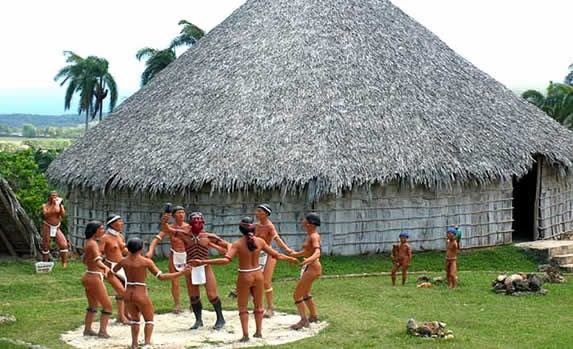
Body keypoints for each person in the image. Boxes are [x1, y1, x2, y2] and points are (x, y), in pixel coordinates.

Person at [191, 217, 299, 342]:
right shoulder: (260, 242)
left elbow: (226, 260)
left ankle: (245, 335)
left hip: (245, 275)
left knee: (243, 307)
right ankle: (258, 332)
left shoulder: (238, 244)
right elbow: (277, 255)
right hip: (258, 274)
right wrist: (292, 259)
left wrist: (202, 261)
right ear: (254, 228)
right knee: (259, 306)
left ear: (240, 229)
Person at [113, 237, 190, 349]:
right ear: (141, 248)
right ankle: (147, 344)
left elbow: (111, 273)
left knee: (135, 320)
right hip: (140, 292)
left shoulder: (123, 261)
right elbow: (162, 277)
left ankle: (134, 344)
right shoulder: (146, 262)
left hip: (128, 293)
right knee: (149, 320)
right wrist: (181, 273)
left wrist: (120, 289)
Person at [161, 211, 231, 330]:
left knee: (212, 294)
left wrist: (226, 252)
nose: (197, 224)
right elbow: (167, 230)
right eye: (194, 222)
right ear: (190, 224)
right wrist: (164, 221)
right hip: (191, 266)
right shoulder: (184, 235)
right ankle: (198, 320)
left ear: (203, 223)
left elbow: (229, 245)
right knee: (193, 296)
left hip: (205, 266)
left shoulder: (208, 236)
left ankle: (220, 318)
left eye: (199, 221)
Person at [146, 205, 190, 314]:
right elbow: (157, 239)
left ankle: (193, 303)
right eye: (179, 212)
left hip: (187, 255)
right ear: (174, 215)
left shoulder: (189, 227)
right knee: (175, 281)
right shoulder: (169, 227)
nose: (181, 214)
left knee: (190, 281)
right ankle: (177, 305)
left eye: (183, 212)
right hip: (174, 255)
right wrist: (151, 250)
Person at [254, 203, 293, 318]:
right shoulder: (256, 225)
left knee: (266, 282)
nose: (257, 213)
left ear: (266, 214)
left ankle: (270, 308)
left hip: (268, 254)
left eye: (259, 211)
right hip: (257, 254)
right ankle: (258, 306)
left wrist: (287, 250)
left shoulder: (270, 226)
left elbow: (277, 239)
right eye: (257, 211)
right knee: (256, 282)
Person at [288, 212, 323, 330]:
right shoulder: (311, 235)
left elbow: (317, 252)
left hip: (312, 267)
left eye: (305, 220)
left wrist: (309, 259)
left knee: (297, 295)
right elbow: (308, 250)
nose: (303, 221)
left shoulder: (314, 236)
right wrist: (296, 254)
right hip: (311, 267)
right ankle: (313, 316)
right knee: (305, 292)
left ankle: (304, 320)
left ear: (310, 224)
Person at [81, 221, 112, 338]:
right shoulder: (93, 244)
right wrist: (105, 268)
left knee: (93, 305)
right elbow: (97, 261)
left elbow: (85, 260)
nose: (103, 231)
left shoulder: (88, 243)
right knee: (107, 306)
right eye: (101, 229)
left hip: (88, 276)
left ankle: (87, 329)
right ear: (95, 231)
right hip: (94, 277)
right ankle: (102, 331)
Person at [99, 214, 130, 324]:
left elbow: (123, 251)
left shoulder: (120, 236)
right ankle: (121, 316)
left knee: (126, 289)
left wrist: (135, 253)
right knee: (121, 291)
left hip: (122, 266)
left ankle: (125, 314)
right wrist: (102, 267)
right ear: (112, 224)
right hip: (110, 268)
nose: (122, 223)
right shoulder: (105, 238)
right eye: (119, 221)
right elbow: (99, 253)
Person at [41, 191, 69, 268]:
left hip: (56, 227)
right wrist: (53, 205)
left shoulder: (58, 205)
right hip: (47, 226)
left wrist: (61, 205)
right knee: (46, 245)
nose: (54, 197)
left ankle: (64, 264)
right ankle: (45, 264)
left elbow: (63, 215)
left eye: (56, 196)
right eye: (53, 196)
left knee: (64, 244)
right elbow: (46, 215)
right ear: (49, 197)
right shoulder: (45, 205)